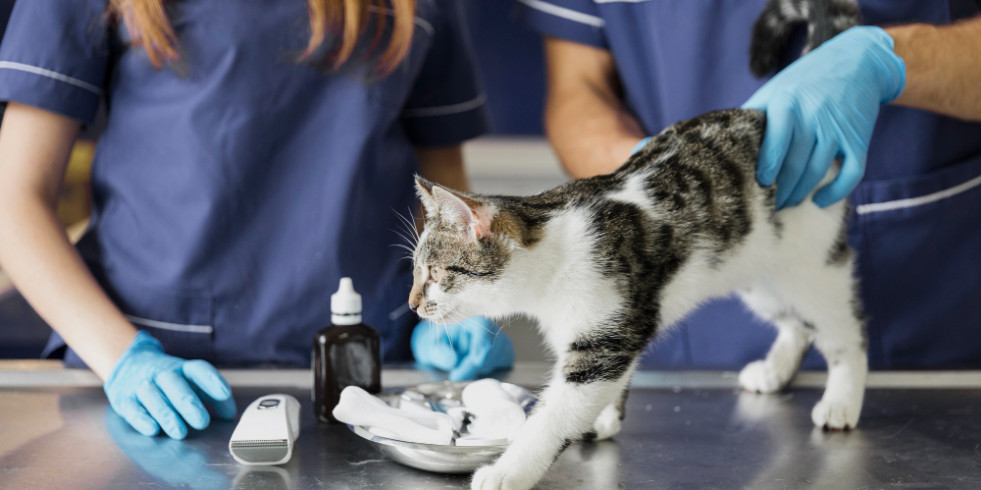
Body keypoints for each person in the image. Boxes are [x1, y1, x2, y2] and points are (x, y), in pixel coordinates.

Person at [0, 0, 513, 440]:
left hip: (376, 377)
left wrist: (457, 312)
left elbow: (446, 190)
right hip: (150, 373)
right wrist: (122, 358)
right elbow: (14, 200)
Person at [517, 1, 981, 370]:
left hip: (935, 304)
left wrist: (884, 59)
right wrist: (649, 177)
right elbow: (578, 90)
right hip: (700, 330)